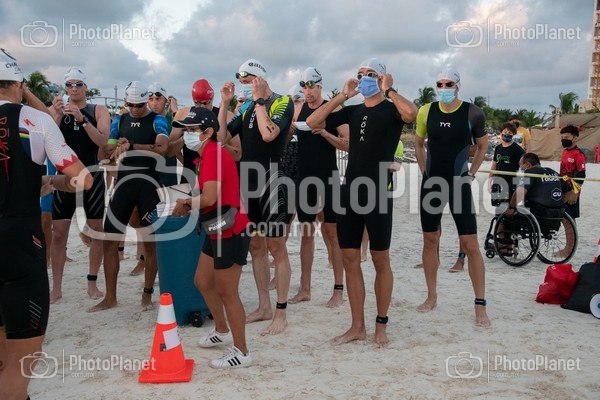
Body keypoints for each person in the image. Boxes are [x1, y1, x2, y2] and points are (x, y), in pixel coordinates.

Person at [0, 48, 93, 400]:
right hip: (18, 242)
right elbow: (83, 178)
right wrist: (50, 182)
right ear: (19, 84)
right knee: (21, 361)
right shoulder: (35, 120)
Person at [307, 57, 418, 346]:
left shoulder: (391, 109)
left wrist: (389, 90)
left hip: (378, 193)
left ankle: (381, 324)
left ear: (380, 78)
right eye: (360, 74)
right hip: (350, 192)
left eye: (370, 74)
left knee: (381, 260)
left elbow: (411, 114)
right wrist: (343, 95)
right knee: (350, 259)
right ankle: (357, 326)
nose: (363, 78)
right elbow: (313, 122)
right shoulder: (353, 111)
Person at [217, 59, 294, 335]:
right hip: (248, 184)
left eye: (248, 82)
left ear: (260, 79)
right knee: (256, 247)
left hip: (274, 182)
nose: (245, 87)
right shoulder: (247, 107)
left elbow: (268, 134)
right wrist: (224, 105)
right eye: (242, 83)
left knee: (276, 248)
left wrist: (260, 101)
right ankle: (264, 307)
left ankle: (281, 312)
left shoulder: (281, 102)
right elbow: (222, 138)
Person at [172, 107, 252, 369]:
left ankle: (242, 351)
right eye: (185, 129)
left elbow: (208, 198)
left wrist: (185, 203)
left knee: (228, 293)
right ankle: (222, 329)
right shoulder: (207, 154)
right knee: (202, 281)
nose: (187, 134)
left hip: (230, 229)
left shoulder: (214, 154)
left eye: (191, 130)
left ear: (207, 132)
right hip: (216, 227)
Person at [414, 67, 491, 327]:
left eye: (449, 84)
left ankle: (480, 305)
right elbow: (418, 143)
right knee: (429, 240)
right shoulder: (426, 111)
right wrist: (424, 172)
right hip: (432, 184)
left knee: (470, 243)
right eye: (440, 84)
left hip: (459, 183)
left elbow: (483, 145)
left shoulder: (473, 112)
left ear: (457, 86)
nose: (444, 88)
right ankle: (431, 296)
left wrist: (471, 174)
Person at [90, 81, 169, 312]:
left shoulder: (157, 120)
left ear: (146, 102)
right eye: (131, 104)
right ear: (125, 101)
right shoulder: (119, 120)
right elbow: (107, 151)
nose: (134, 109)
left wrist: (132, 146)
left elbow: (162, 148)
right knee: (109, 241)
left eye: (139, 105)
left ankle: (147, 294)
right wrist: (115, 146)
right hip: (124, 184)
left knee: (150, 245)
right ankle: (110, 297)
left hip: (149, 186)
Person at [48, 67, 111, 303]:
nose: (74, 89)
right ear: (65, 87)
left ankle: (92, 283)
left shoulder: (98, 110)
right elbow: (46, 140)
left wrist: (82, 120)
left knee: (96, 231)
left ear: (86, 87)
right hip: (65, 176)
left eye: (78, 84)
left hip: (92, 175)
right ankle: (56, 287)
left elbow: (103, 142)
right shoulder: (56, 111)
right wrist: (56, 116)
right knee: (58, 234)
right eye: (69, 85)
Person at [288, 67, 349, 308]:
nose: (308, 91)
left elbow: (348, 144)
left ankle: (338, 290)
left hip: (328, 177)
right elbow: (286, 134)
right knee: (306, 233)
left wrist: (325, 134)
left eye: (312, 86)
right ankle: (305, 289)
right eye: (304, 86)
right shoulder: (298, 109)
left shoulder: (334, 109)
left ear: (320, 85)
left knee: (333, 234)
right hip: (305, 178)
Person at [169, 79, 241, 187]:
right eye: (197, 103)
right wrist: (186, 137)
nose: (202, 107)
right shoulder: (183, 114)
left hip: (217, 179)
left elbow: (237, 154)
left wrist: (216, 142)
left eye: (206, 103)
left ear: (212, 99)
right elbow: (170, 151)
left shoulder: (226, 116)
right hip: (190, 178)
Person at [488, 122, 525, 211]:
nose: (507, 134)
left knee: (509, 208)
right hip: (497, 181)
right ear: (501, 133)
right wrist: (489, 182)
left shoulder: (517, 149)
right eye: (505, 132)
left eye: (510, 133)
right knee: (498, 207)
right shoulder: (498, 148)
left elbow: (523, 167)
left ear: (513, 134)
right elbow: (493, 166)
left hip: (511, 182)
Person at [559, 125, 586, 220]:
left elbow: (581, 175)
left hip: (572, 191)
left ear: (575, 138)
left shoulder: (579, 154)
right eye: (562, 137)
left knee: (569, 220)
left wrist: (574, 193)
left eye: (566, 137)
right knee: (563, 218)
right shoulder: (565, 151)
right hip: (563, 189)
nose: (563, 140)